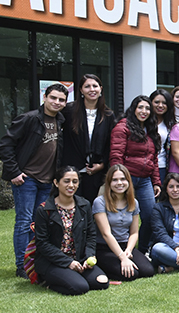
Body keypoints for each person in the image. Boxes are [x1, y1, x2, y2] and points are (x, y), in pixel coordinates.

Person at [2, 83, 68, 278]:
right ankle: (22, 266)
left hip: (47, 181)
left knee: (37, 223)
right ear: (45, 97)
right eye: (53, 98)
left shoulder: (61, 121)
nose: (57, 102)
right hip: (27, 180)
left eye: (61, 100)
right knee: (23, 222)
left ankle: (34, 262)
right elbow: (5, 144)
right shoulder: (30, 118)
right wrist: (14, 172)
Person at [32, 167, 109, 295]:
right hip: (53, 262)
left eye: (75, 181)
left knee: (101, 282)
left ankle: (72, 277)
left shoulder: (84, 205)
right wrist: (68, 263)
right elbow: (43, 244)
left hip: (79, 259)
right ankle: (47, 281)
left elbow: (91, 235)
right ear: (56, 183)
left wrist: (90, 255)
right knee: (80, 287)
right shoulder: (44, 210)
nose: (71, 185)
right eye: (66, 181)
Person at [109, 95, 162, 253]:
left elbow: (154, 159)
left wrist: (156, 182)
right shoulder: (123, 126)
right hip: (127, 178)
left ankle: (143, 250)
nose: (144, 111)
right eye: (140, 107)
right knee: (121, 217)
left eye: (147, 108)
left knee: (150, 216)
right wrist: (118, 179)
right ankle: (118, 250)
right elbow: (116, 155)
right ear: (133, 109)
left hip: (145, 179)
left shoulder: (150, 129)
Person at [92, 165, 155, 281]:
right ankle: (101, 267)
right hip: (105, 247)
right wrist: (122, 258)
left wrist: (128, 251)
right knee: (131, 274)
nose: (119, 183)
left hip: (125, 245)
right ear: (109, 183)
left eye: (123, 179)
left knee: (148, 271)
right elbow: (106, 234)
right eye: (115, 180)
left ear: (128, 181)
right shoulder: (100, 202)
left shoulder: (133, 202)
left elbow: (134, 232)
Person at [61, 74, 115, 202]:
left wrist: (102, 165)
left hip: (95, 171)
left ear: (101, 89)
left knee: (90, 208)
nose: (92, 89)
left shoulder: (108, 115)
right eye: (87, 86)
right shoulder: (69, 111)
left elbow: (110, 144)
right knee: (72, 206)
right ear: (81, 90)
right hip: (72, 169)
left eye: (95, 86)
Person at [150, 89, 174, 184]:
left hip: (163, 166)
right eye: (156, 102)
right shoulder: (144, 122)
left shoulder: (170, 124)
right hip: (145, 166)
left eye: (164, 103)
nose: (160, 105)